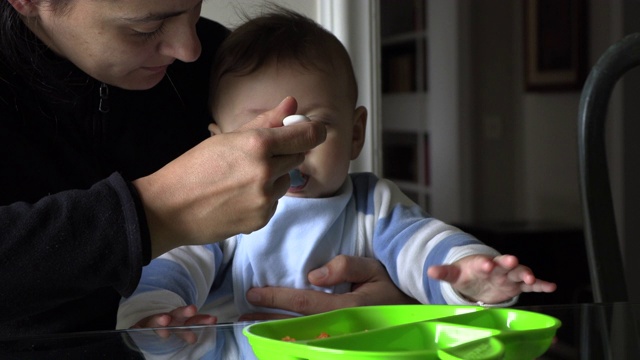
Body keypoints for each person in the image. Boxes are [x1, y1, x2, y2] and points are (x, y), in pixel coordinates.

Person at [116, 8, 556, 329]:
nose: (292, 152)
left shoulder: (372, 205)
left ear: (355, 134)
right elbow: (177, 264)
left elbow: (424, 247)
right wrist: (155, 315)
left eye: (314, 128)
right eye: (263, 133)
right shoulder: (222, 212)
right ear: (218, 146)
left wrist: (468, 276)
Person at [0, 0, 414, 337]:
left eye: (195, 8)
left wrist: (399, 298)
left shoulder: (228, 63)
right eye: (147, 28)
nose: (189, 49)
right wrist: (155, 214)